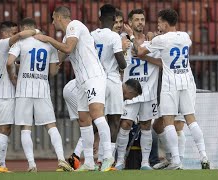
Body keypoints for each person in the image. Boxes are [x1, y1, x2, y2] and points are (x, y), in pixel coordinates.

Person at [34, 6, 113, 172]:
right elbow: (55, 68)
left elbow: (68, 49)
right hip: (81, 81)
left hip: (94, 77)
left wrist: (47, 39)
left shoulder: (74, 25)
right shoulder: (65, 38)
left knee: (97, 114)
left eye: (53, 19)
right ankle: (89, 162)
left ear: (58, 16)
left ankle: (107, 157)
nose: (52, 22)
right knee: (84, 119)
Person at [136, 8, 210, 170]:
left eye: (159, 22)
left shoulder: (161, 39)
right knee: (191, 119)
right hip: (187, 81)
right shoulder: (185, 37)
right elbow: (168, 53)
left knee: (168, 121)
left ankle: (176, 160)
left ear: (164, 22)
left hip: (171, 83)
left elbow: (140, 51)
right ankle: (204, 156)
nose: (158, 25)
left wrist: (135, 38)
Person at [6, 17, 73, 172]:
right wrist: (58, 64)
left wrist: (14, 75)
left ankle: (32, 164)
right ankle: (61, 159)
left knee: (25, 127)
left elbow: (9, 62)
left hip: (24, 88)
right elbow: (53, 72)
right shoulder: (48, 44)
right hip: (42, 87)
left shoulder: (20, 43)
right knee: (51, 125)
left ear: (23, 28)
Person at [114, 9, 161, 171]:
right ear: (130, 23)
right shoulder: (122, 41)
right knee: (125, 124)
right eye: (136, 20)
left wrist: (153, 37)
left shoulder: (153, 42)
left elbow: (161, 62)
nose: (140, 22)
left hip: (148, 92)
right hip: (130, 92)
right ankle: (120, 161)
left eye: (142, 19)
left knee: (146, 125)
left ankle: (145, 163)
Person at [0, 21, 38, 173]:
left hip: (4, 92)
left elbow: (10, 64)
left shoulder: (2, 49)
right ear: (4, 33)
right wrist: (36, 30)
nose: (14, 36)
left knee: (6, 128)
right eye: (12, 33)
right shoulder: (3, 43)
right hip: (3, 94)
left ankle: (1, 164)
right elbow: (21, 35)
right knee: (4, 128)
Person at [64, 78, 142, 170]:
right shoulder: (116, 89)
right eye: (132, 97)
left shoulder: (109, 83)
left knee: (88, 125)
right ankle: (105, 160)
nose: (129, 99)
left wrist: (96, 139)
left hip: (71, 88)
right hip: (77, 91)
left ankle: (79, 158)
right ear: (130, 92)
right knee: (102, 124)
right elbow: (114, 124)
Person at [90, 4, 127, 166]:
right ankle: (107, 158)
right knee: (114, 120)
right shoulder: (114, 37)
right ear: (114, 19)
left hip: (96, 81)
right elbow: (122, 64)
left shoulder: (91, 35)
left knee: (96, 120)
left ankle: (91, 157)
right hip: (111, 81)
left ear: (99, 19)